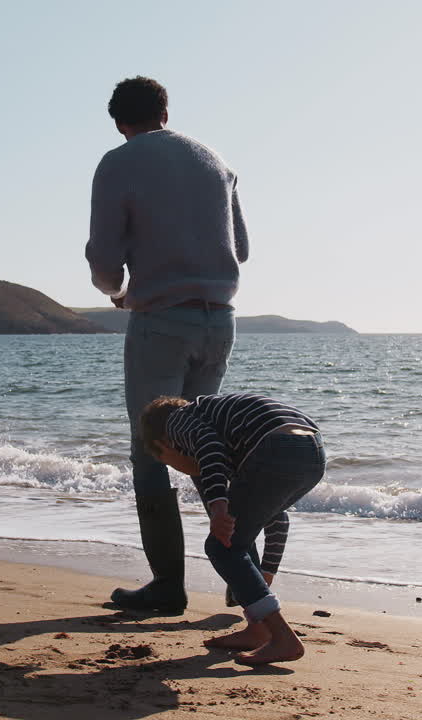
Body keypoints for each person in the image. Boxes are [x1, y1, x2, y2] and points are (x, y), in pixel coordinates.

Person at [85, 76, 250, 615]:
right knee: (206, 447)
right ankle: (242, 575)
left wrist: (119, 293)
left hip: (161, 322)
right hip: (220, 321)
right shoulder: (216, 160)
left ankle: (166, 586)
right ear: (165, 111)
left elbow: (105, 259)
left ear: (119, 123)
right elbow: (241, 249)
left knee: (151, 449)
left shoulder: (118, 162)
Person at [140, 393, 325, 666]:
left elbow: (208, 446)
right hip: (312, 452)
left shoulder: (177, 421)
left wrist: (217, 505)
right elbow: (277, 521)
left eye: (169, 463)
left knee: (220, 546)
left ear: (163, 445)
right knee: (237, 537)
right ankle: (259, 629)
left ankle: (283, 637)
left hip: (276, 446)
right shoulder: (223, 428)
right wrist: (265, 575)